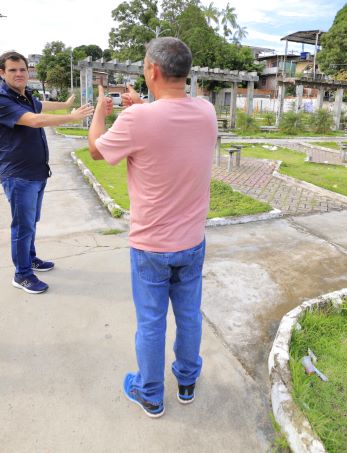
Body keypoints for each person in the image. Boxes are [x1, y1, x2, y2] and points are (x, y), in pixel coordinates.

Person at [87, 38, 217, 418]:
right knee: (189, 315)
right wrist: (143, 108)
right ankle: (187, 382)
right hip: (192, 241)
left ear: (152, 71)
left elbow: (97, 150)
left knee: (151, 323)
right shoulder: (206, 112)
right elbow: (171, 121)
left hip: (151, 248)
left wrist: (100, 110)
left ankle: (150, 393)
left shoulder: (137, 120)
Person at [0, 51, 93, 294]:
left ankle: (30, 259)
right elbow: (35, 120)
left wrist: (66, 104)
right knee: (22, 226)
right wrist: (72, 117)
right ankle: (22, 274)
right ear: (2, 73)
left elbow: (43, 105)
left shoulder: (25, 96)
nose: (19, 74)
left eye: (22, 69)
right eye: (12, 70)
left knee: (31, 222)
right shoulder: (1, 99)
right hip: (18, 174)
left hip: (36, 171)